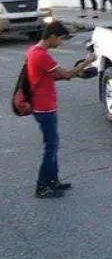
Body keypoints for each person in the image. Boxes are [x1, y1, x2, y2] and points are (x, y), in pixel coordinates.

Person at [26, 21, 97, 198]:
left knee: (53, 145)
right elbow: (65, 74)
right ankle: (42, 186)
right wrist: (87, 62)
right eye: (60, 39)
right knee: (51, 146)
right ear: (51, 37)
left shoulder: (36, 52)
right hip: (43, 107)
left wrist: (78, 73)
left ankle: (53, 181)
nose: (61, 43)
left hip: (45, 104)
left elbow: (53, 77)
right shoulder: (40, 55)